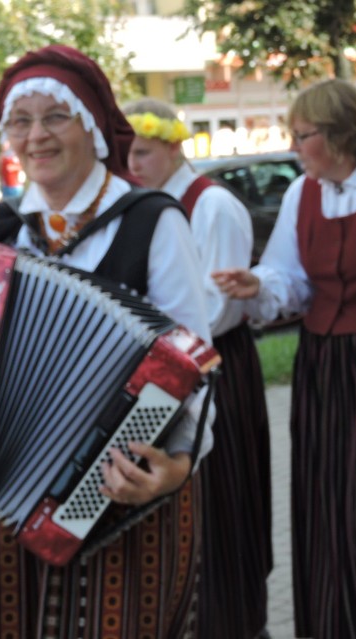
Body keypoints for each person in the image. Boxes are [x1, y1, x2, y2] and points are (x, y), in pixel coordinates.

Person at [0, 44, 215, 638]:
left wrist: (176, 468)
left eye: (55, 117)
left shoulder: (153, 220)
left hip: (123, 502)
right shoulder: (1, 225)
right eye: (20, 122)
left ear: (93, 126)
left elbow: (196, 368)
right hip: (6, 501)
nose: (35, 137)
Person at [213, 78, 356, 639]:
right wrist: (254, 284)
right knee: (328, 508)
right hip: (324, 370)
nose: (294, 146)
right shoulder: (302, 194)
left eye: (301, 135)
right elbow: (292, 279)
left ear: (337, 136)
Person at [125, 97, 273, 639]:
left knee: (226, 498)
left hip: (217, 368)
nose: (132, 164)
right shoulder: (145, 204)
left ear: (170, 145)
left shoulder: (211, 206)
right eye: (127, 154)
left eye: (142, 152)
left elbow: (216, 308)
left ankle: (236, 620)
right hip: (169, 369)